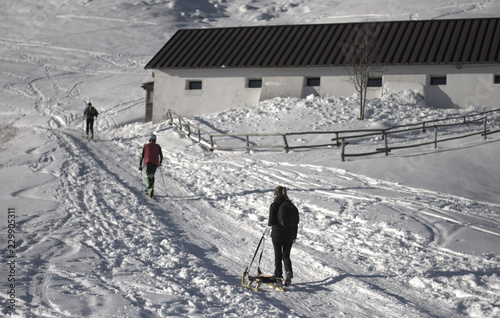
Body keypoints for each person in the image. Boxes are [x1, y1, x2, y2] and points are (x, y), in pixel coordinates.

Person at [268, 186, 299, 287]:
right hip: (289, 234)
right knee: (286, 255)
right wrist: (294, 235)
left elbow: (271, 222)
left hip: (277, 234)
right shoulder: (291, 205)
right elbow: (295, 223)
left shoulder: (274, 205)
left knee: (278, 255)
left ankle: (278, 277)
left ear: (276, 194)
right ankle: (288, 271)